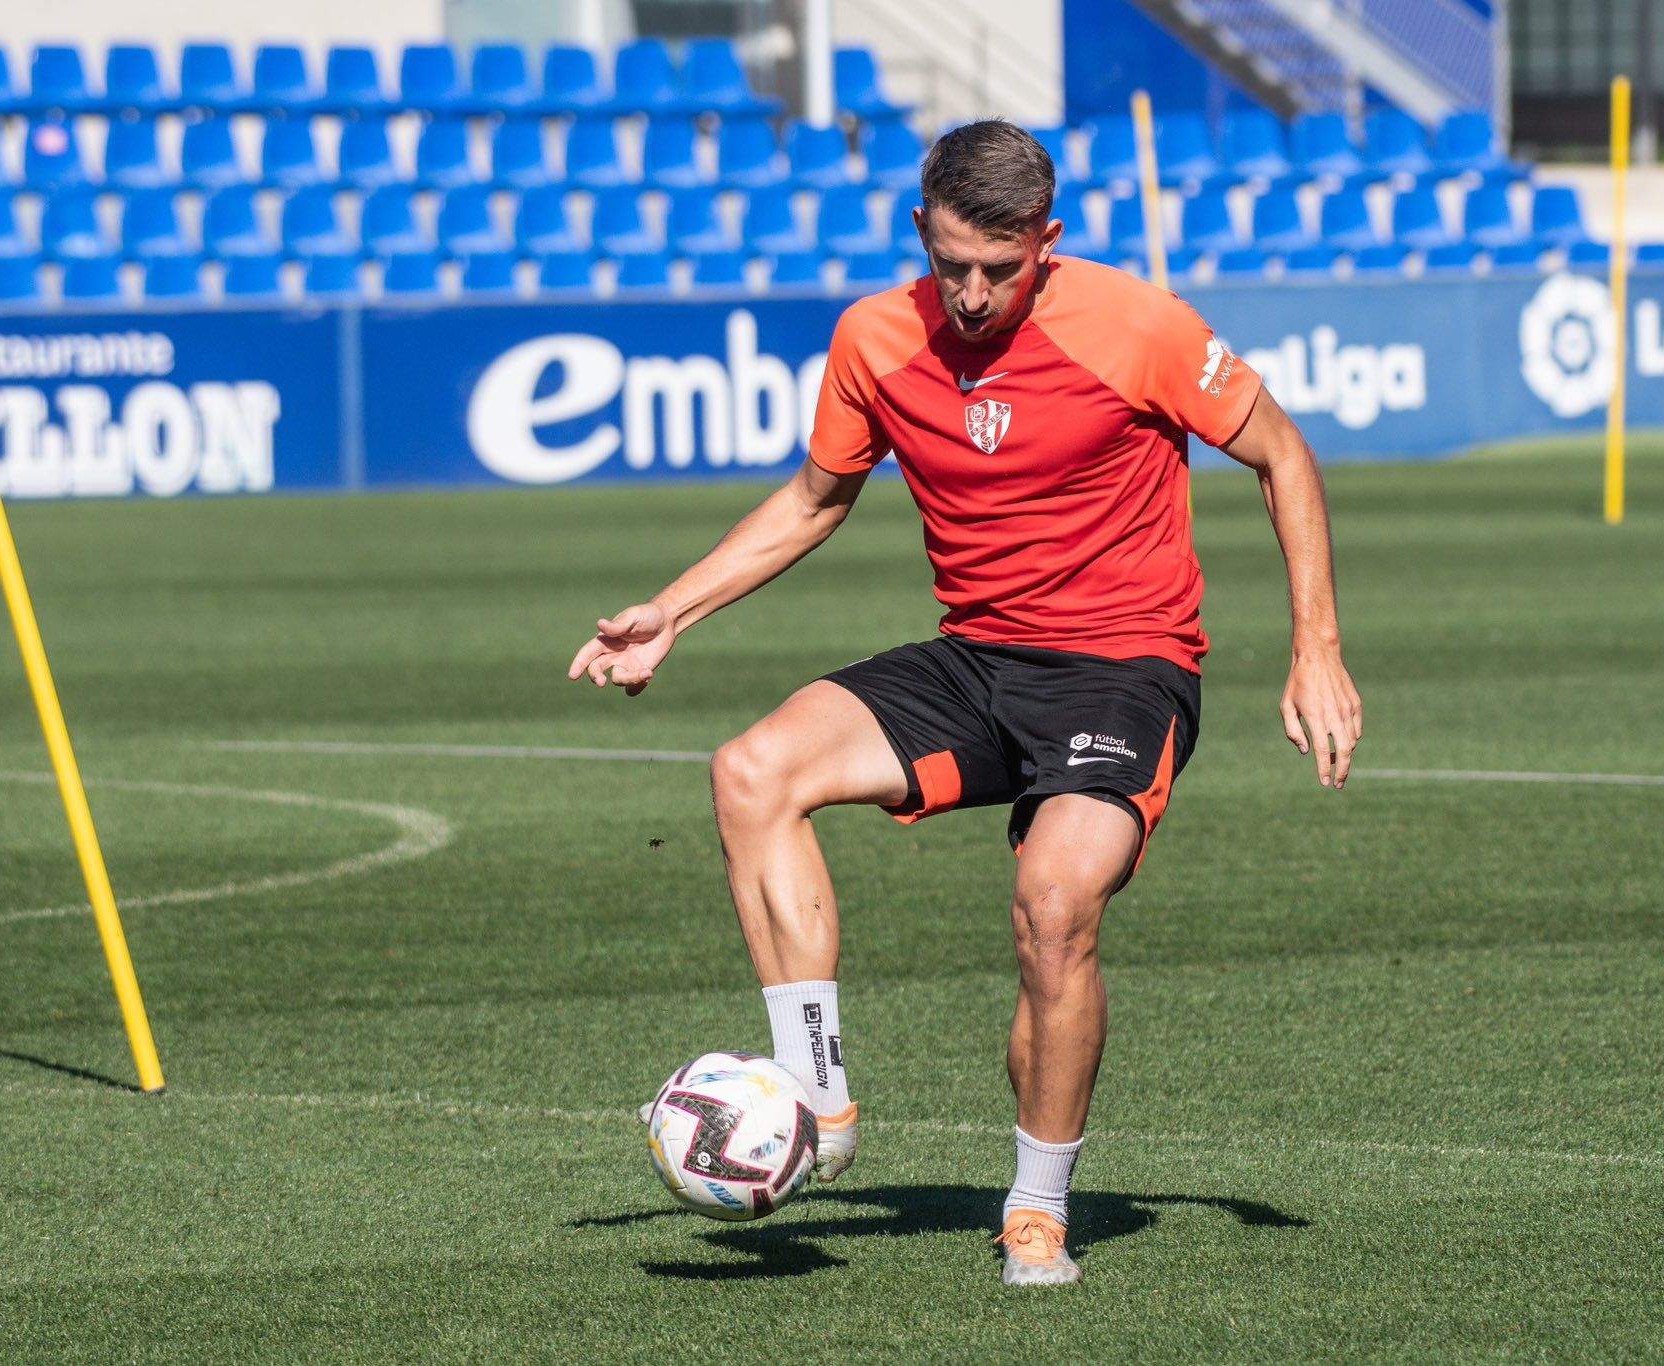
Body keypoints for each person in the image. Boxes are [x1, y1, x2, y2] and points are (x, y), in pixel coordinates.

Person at [572, 120, 1361, 1285]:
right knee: (751, 771)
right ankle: (819, 1099)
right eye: (953, 268)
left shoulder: (1135, 324)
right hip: (977, 658)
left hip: (1123, 665)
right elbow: (811, 499)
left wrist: (1316, 649)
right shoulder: (875, 338)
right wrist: (671, 613)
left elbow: (1282, 454)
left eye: (1003, 268)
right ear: (919, 235)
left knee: (1051, 903)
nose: (977, 293)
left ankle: (1036, 1206)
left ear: (1047, 241)